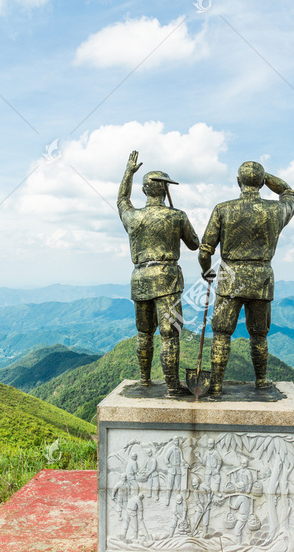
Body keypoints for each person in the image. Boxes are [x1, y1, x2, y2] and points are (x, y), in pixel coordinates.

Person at [198, 161, 294, 394]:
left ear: (238, 181)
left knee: (221, 333)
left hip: (229, 279)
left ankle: (217, 384)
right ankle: (261, 381)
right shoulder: (275, 210)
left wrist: (206, 271)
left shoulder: (223, 209)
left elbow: (205, 250)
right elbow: (289, 192)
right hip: (261, 280)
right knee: (259, 334)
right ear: (262, 183)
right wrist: (262, 177)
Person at [118, 150, 200, 395]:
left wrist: (128, 173)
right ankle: (172, 386)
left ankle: (144, 380)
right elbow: (195, 243)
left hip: (140, 278)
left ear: (144, 190)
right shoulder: (177, 216)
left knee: (144, 332)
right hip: (167, 279)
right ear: (165, 191)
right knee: (170, 335)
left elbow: (122, 200)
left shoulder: (134, 217)